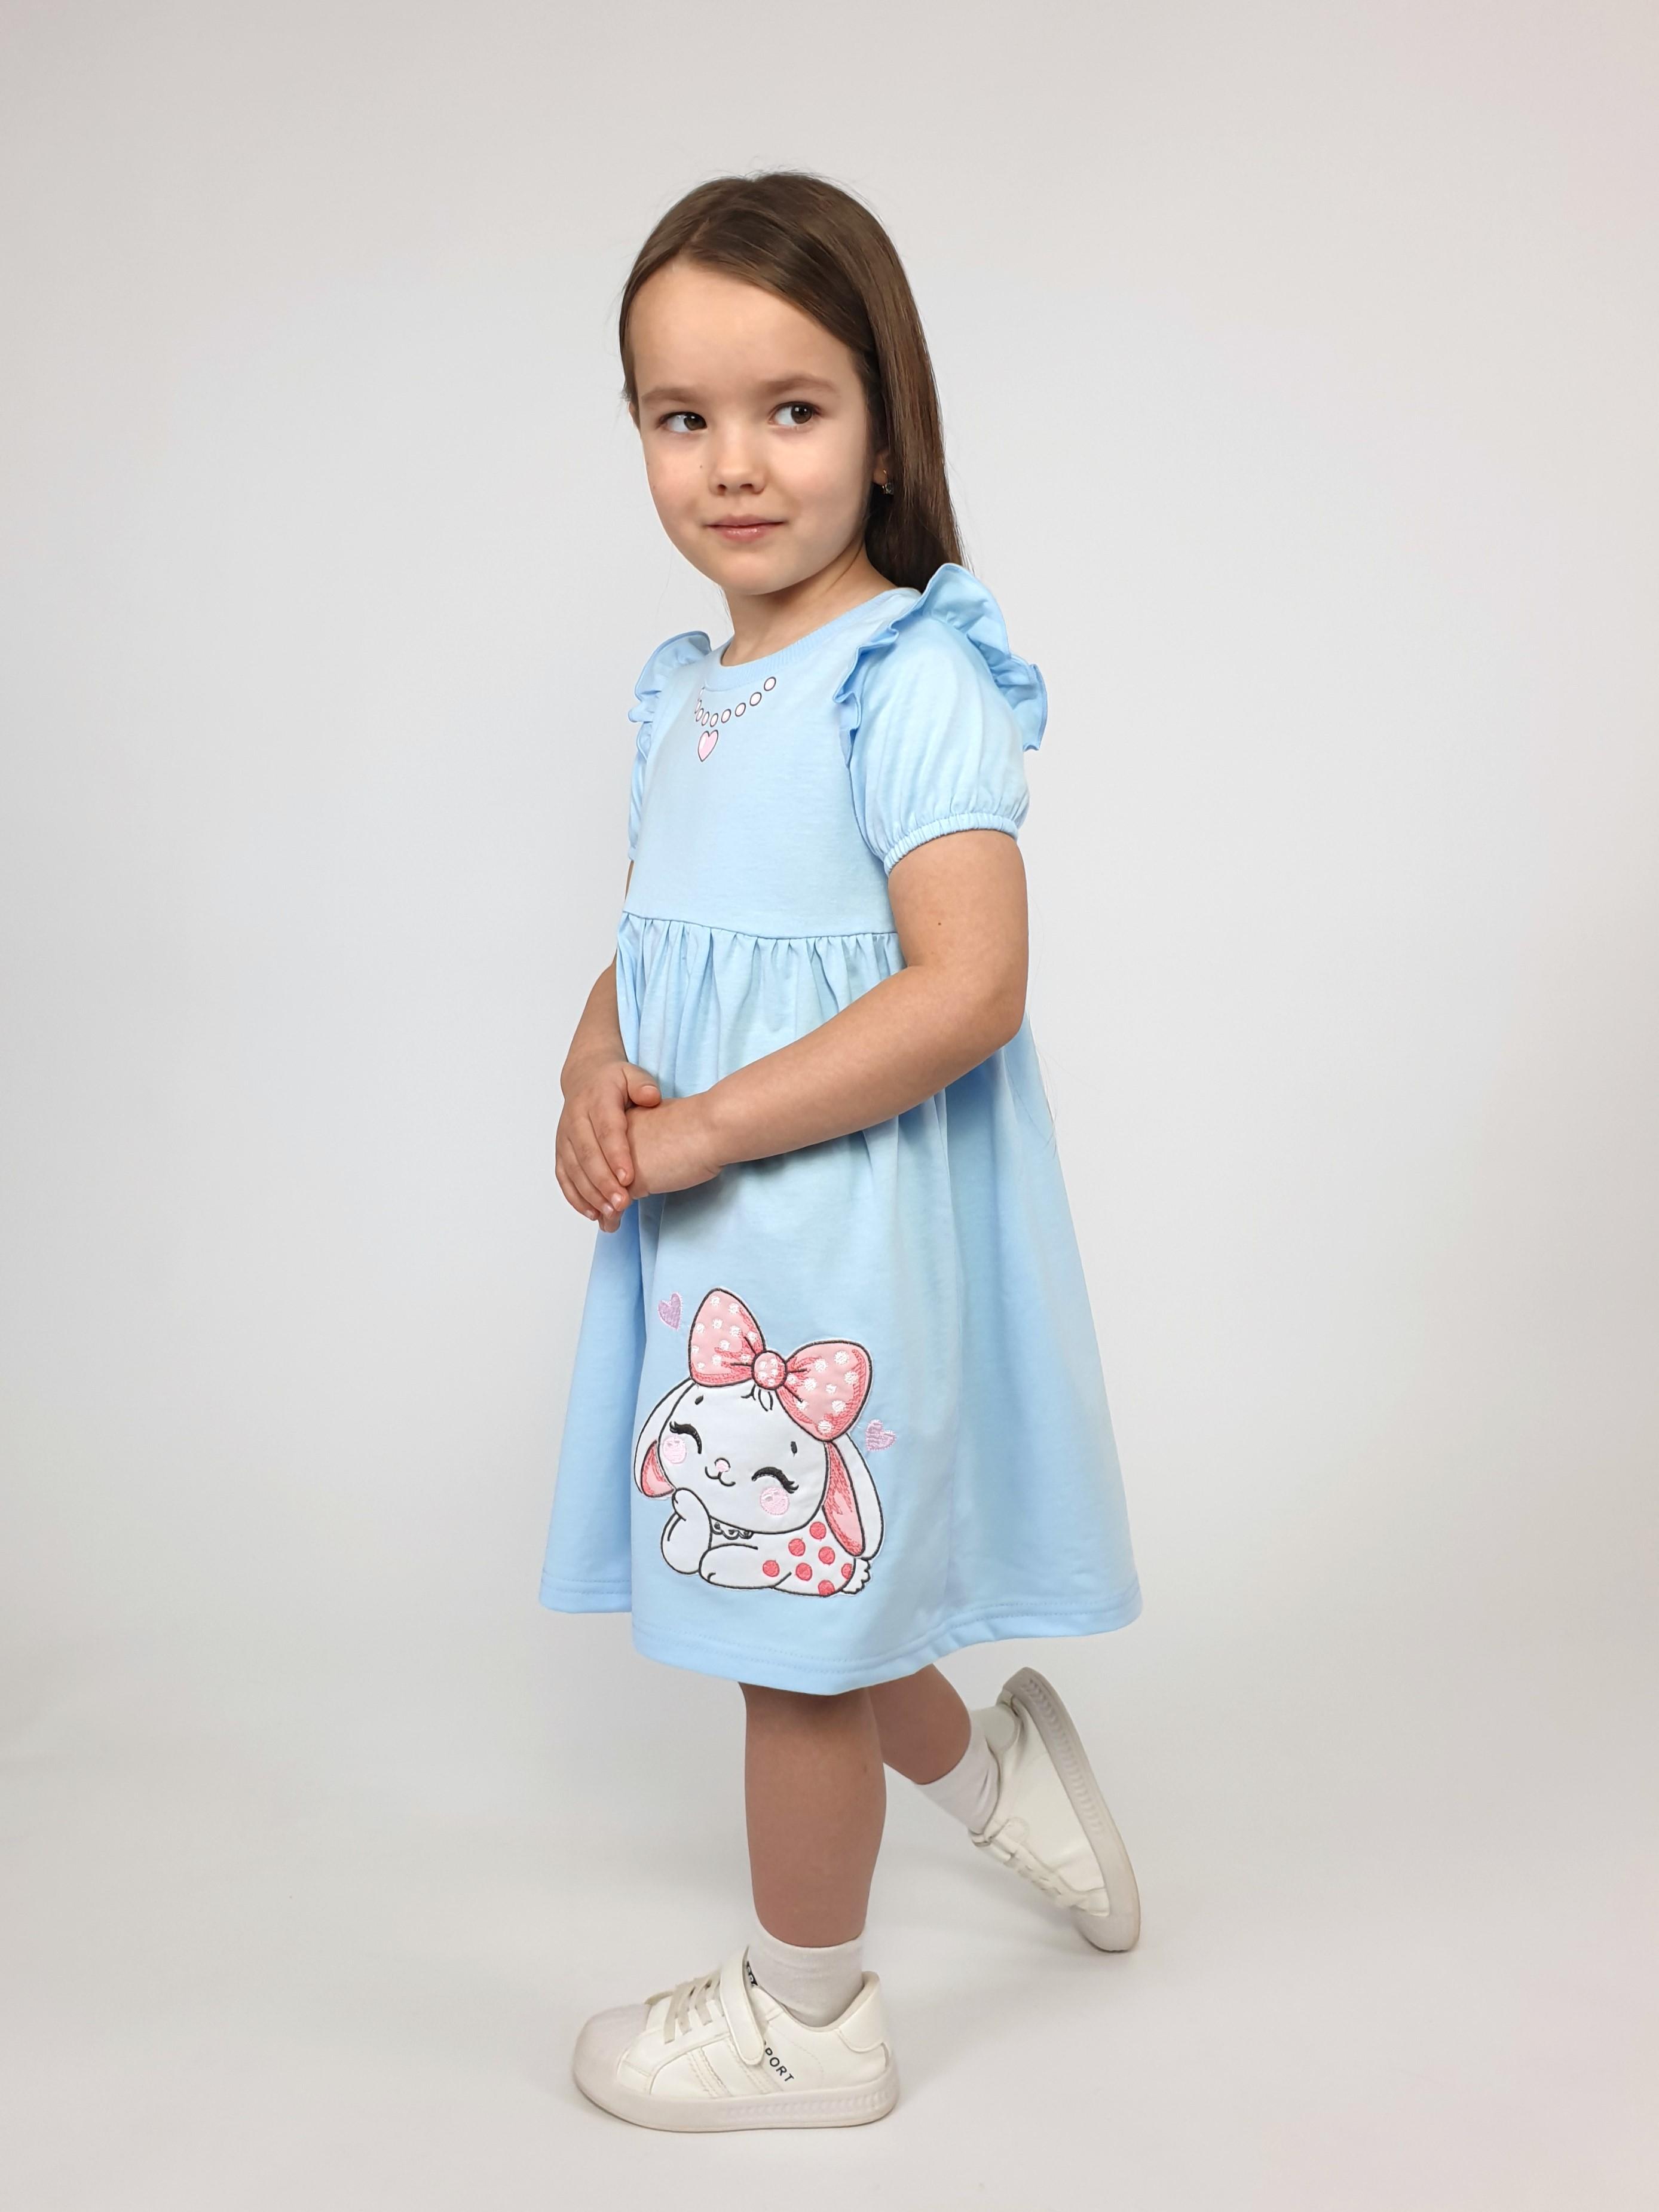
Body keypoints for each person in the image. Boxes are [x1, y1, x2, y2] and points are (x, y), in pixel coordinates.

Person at [542, 170, 1144, 2132]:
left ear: (886, 427)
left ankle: (810, 2020)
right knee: (808, 1584)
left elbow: (970, 987)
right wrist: (597, 1061)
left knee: (791, 1644)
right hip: (717, 1245)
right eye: (681, 416)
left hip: (832, 1247)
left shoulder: (912, 676)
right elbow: (667, 936)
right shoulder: (693, 690)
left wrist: (712, 1124)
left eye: (790, 409)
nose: (734, 463)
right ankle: (1003, 1783)